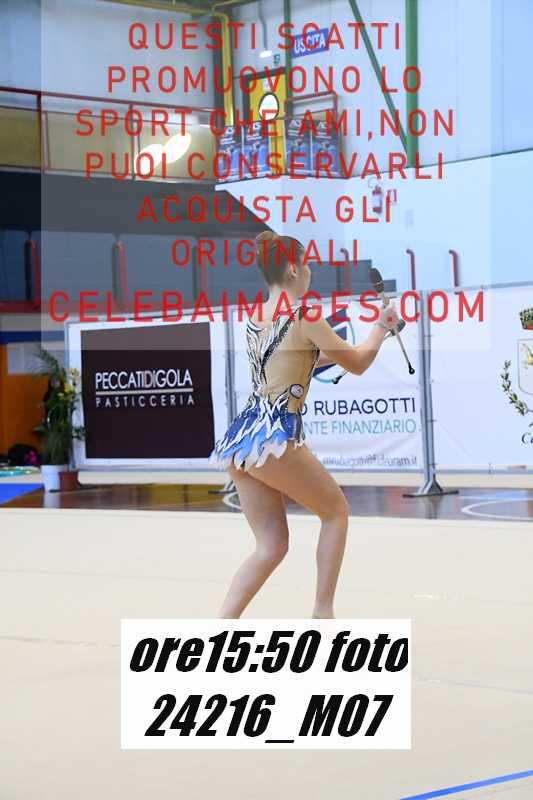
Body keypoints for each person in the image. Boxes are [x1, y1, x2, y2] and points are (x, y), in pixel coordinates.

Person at [210, 231, 400, 619]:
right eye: (307, 263)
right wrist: (381, 328)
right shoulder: (305, 314)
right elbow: (358, 363)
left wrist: (368, 337)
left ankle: (223, 624)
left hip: (242, 439)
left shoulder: (257, 314)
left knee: (271, 546)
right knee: (336, 512)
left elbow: (298, 359)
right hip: (273, 437)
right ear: (293, 268)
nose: (311, 270)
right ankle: (322, 612)